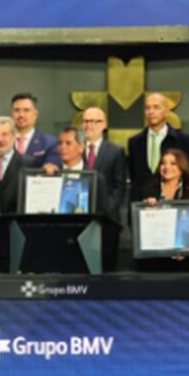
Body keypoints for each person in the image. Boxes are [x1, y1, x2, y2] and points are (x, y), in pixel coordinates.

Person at [137, 148, 189, 272]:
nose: (167, 167)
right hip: (155, 255)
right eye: (163, 163)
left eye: (173, 163)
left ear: (182, 167)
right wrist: (145, 209)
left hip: (185, 256)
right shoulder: (148, 189)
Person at [128, 93, 189, 205]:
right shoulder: (134, 142)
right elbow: (134, 176)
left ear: (167, 111)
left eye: (156, 107)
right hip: (141, 206)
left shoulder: (183, 140)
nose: (151, 111)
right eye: (147, 108)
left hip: (177, 204)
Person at [81, 107, 127, 271]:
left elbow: (119, 186)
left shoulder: (116, 151)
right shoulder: (75, 150)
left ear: (105, 124)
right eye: (86, 121)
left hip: (107, 221)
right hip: (79, 219)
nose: (90, 125)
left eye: (95, 121)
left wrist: (106, 211)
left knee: (106, 268)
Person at [0, 116, 31, 271]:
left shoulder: (29, 164)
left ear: (14, 136)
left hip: (15, 239)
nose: (0, 139)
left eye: (5, 134)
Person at [11, 93, 60, 167]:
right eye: (17, 110)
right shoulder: (2, 141)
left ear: (35, 114)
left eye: (26, 110)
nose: (21, 115)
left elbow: (51, 169)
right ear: (12, 114)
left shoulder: (50, 143)